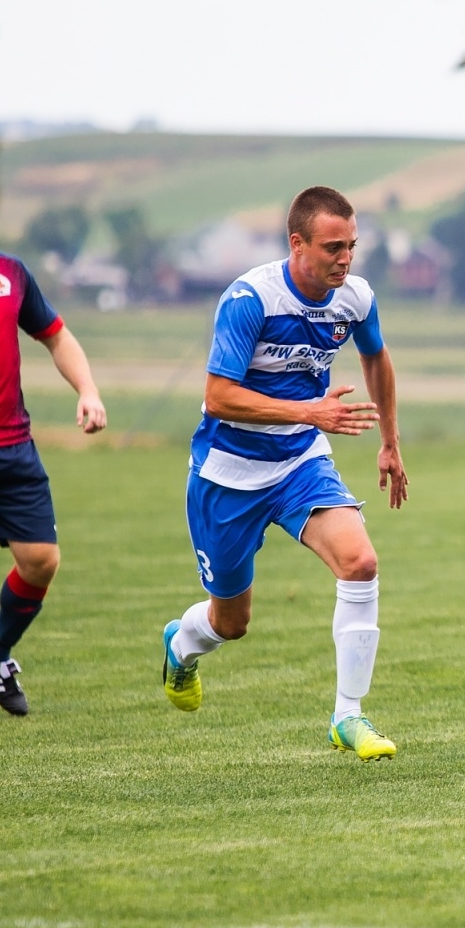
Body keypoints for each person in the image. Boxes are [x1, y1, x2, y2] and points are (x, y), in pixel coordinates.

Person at [161, 186, 410, 761]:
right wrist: (311, 410)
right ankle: (182, 645)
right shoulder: (250, 299)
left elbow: (376, 357)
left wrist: (390, 443)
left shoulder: (355, 298)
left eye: (351, 246)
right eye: (332, 248)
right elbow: (219, 397)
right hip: (227, 475)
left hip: (300, 462)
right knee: (231, 621)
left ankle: (348, 715)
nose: (344, 259)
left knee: (361, 561)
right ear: (297, 244)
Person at [0, 158, 107, 724]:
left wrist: (86, 389)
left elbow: (55, 335)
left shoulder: (11, 274)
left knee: (41, 561)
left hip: (14, 446)